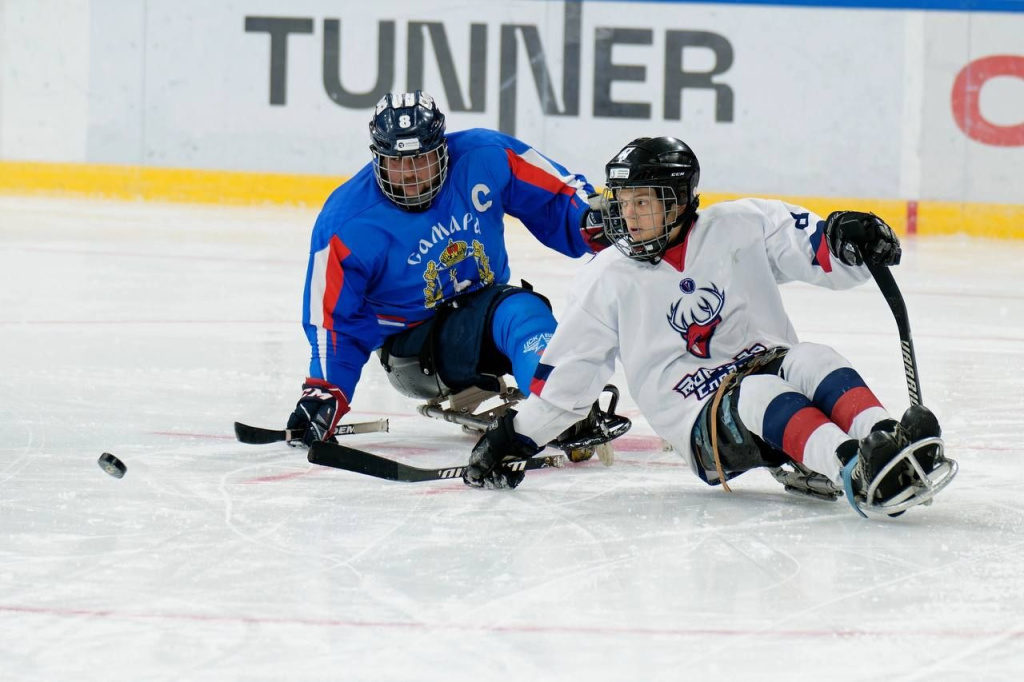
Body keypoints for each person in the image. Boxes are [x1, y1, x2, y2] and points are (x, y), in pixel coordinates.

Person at [462, 136, 957, 518]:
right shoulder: (605, 277)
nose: (627, 215)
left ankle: (888, 441)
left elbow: (819, 252)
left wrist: (853, 241)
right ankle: (854, 468)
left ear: (677, 202)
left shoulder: (741, 225)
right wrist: (516, 436)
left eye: (643, 202)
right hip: (700, 421)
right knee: (759, 394)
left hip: (770, 365)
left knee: (814, 358)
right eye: (623, 201)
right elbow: (567, 381)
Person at [285, 91, 614, 451]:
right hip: (414, 349)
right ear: (377, 158)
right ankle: (560, 407)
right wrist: (325, 390)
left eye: (421, 159)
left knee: (529, 320)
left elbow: (555, 196)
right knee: (522, 311)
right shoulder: (345, 224)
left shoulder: (483, 156)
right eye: (397, 162)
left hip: (483, 315)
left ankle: (559, 398)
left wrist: (588, 218)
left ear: (442, 150)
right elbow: (334, 324)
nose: (410, 175)